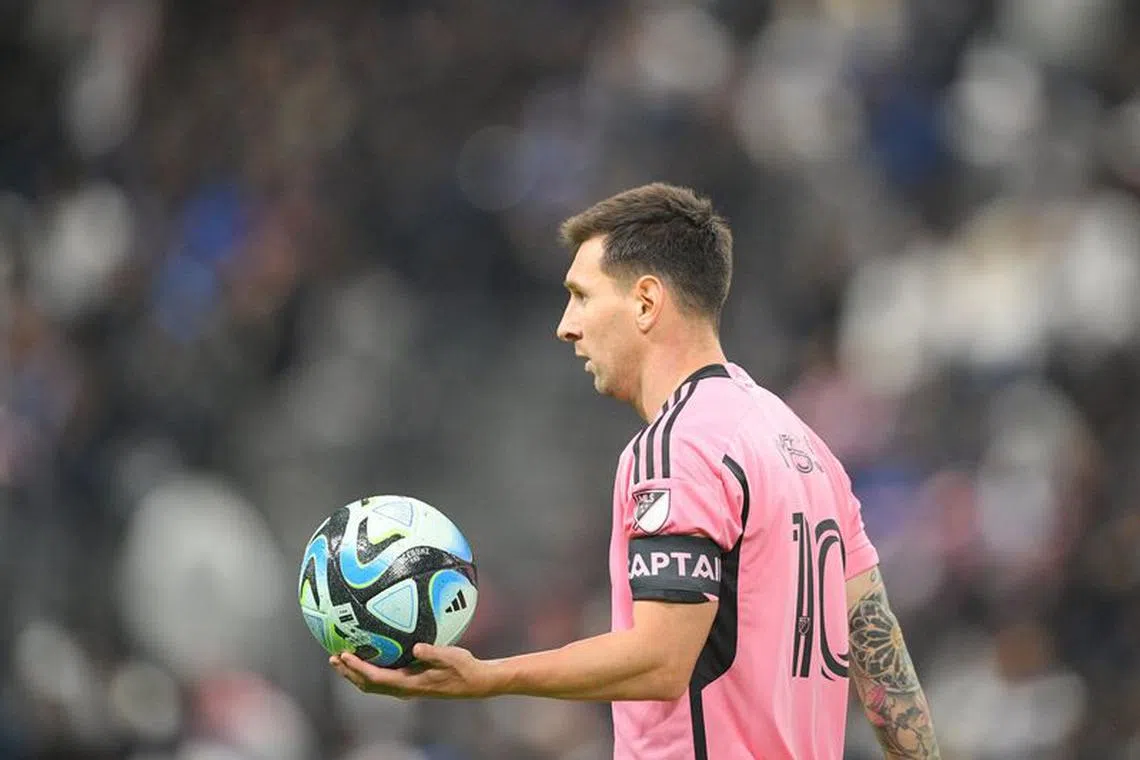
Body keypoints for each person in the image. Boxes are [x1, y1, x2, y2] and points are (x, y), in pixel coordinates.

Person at [331, 183, 940, 759]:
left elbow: (661, 660)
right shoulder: (804, 447)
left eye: (582, 295)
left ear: (646, 301)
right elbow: (879, 652)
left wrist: (489, 677)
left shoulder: (678, 445)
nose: (566, 325)